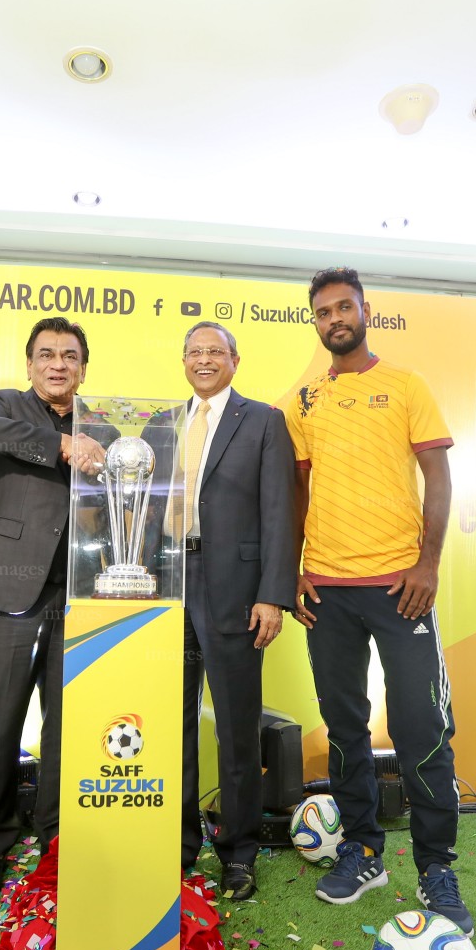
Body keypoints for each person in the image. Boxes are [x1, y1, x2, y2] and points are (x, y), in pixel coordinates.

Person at [285, 266, 472, 935]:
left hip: (401, 585)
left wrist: (427, 561)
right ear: (315, 323)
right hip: (327, 590)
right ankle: (363, 850)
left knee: (423, 730)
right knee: (344, 729)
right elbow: (296, 495)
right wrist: (294, 572)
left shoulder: (406, 385)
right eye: (324, 312)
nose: (336, 318)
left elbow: (438, 473)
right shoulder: (300, 400)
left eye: (345, 307)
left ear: (366, 311)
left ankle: (436, 866)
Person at [0, 316, 113, 900]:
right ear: (30, 365)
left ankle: (55, 839)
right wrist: (61, 445)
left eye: (70, 357)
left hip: (81, 591)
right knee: (0, 720)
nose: (58, 365)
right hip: (11, 585)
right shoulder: (3, 406)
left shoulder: (101, 425)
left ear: (83, 369)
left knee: (66, 723)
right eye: (47, 355)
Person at [147, 321, 295, 901]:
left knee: (235, 729)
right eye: (194, 351)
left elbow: (280, 512)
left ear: (235, 360)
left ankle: (238, 852)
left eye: (215, 351)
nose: (203, 359)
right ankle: (180, 844)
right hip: (168, 581)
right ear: (183, 360)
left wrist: (273, 593)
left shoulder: (262, 420)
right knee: (172, 726)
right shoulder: (163, 423)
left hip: (234, 586)